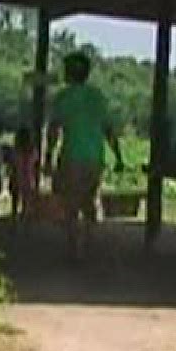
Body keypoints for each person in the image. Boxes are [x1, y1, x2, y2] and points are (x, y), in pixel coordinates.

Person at [46, 52, 127, 261]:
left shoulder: (63, 97)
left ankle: (75, 249)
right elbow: (109, 130)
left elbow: (54, 129)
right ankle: (90, 242)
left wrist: (48, 156)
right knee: (90, 202)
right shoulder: (97, 97)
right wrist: (118, 157)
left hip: (72, 156)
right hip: (95, 158)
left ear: (70, 72)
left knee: (71, 204)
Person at [9, 124, 42, 225]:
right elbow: (35, 166)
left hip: (16, 177)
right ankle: (24, 219)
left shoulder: (16, 151)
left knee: (15, 200)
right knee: (26, 201)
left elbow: (13, 164)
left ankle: (14, 219)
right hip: (28, 178)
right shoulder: (32, 151)